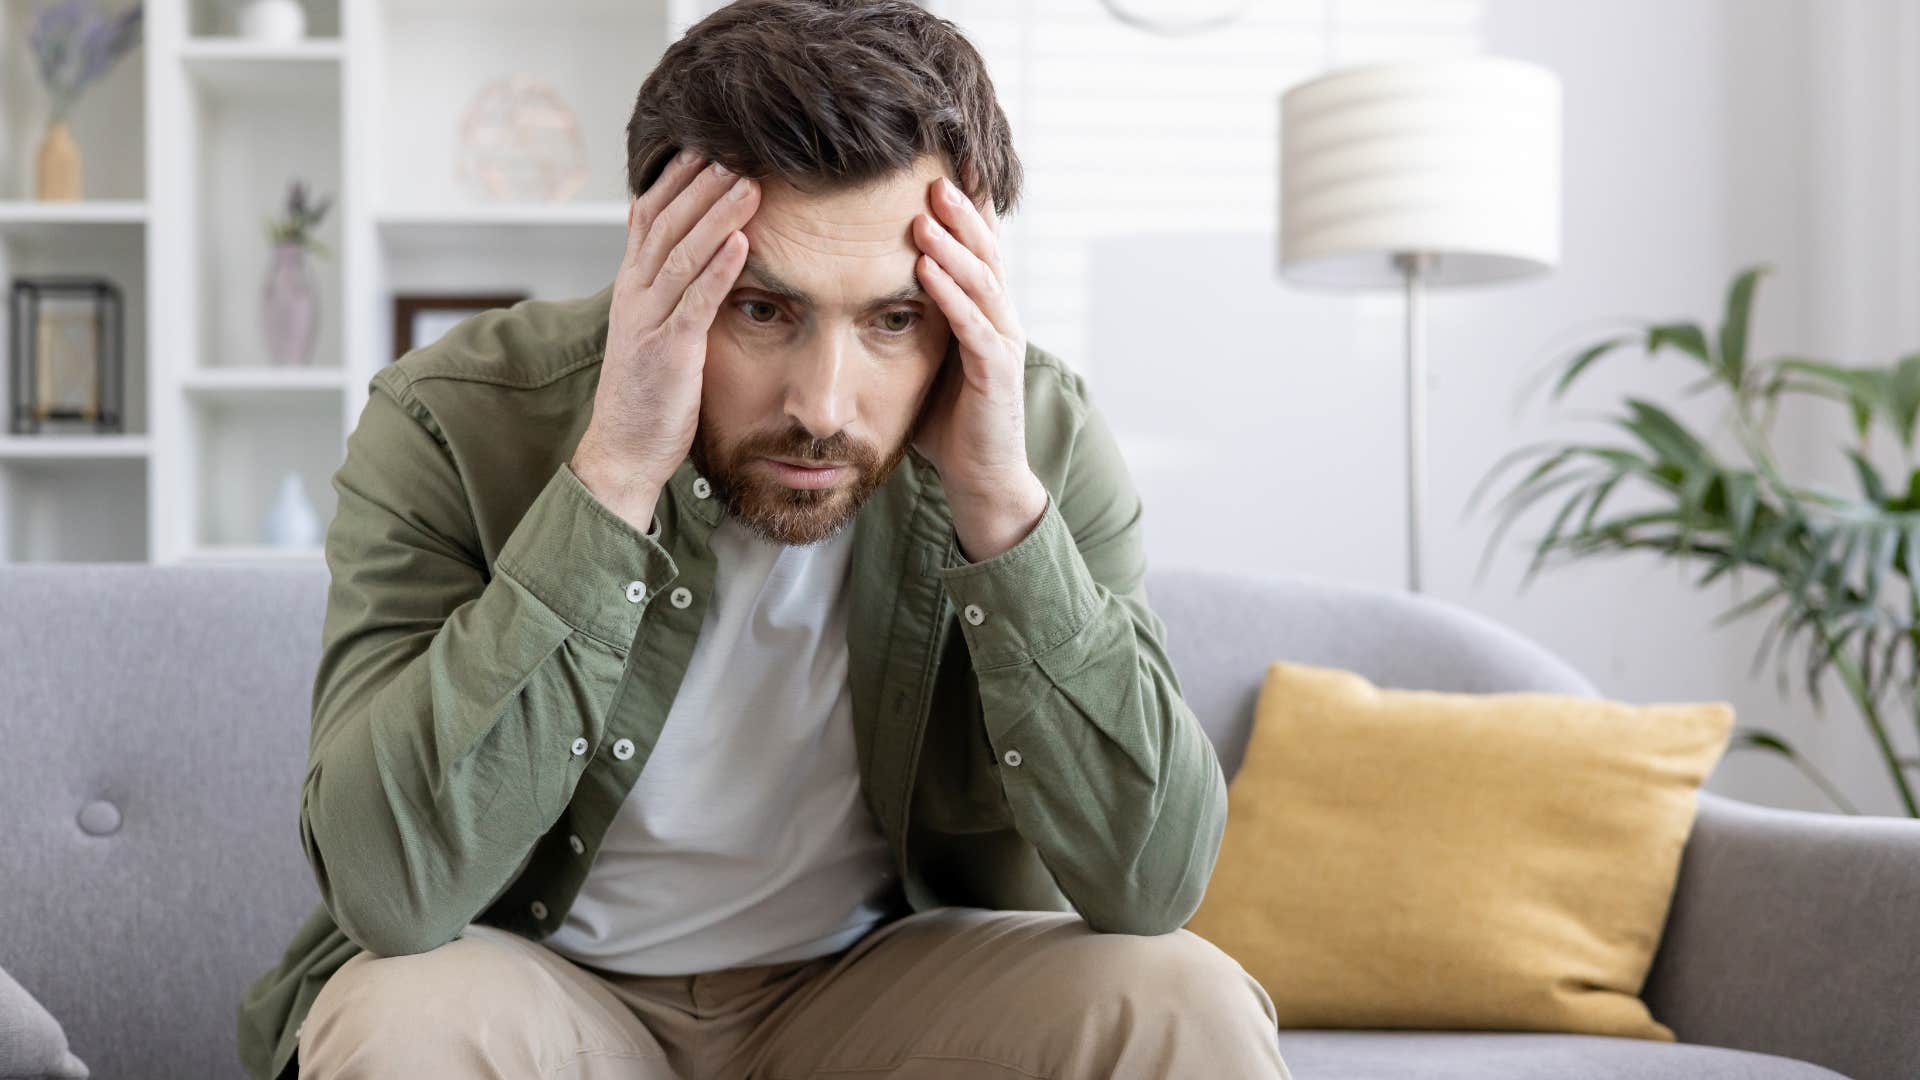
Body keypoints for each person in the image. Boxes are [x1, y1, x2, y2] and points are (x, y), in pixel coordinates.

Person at [236, 1, 1290, 1076]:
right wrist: (611, 479)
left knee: (1181, 1001)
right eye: (762, 310)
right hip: (539, 981)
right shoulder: (452, 417)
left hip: (875, 994)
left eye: (893, 319)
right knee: (395, 1021)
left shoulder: (1036, 434)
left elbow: (1152, 883)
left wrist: (1002, 511)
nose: (824, 405)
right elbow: (388, 888)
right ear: (659, 255)